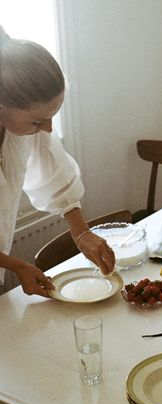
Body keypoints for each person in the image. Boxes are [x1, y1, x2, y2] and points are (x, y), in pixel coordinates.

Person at [0, 26, 115, 297]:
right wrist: (17, 265)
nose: (48, 129)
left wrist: (81, 232)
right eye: (38, 121)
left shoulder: (25, 126)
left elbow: (53, 168)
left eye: (53, 117)